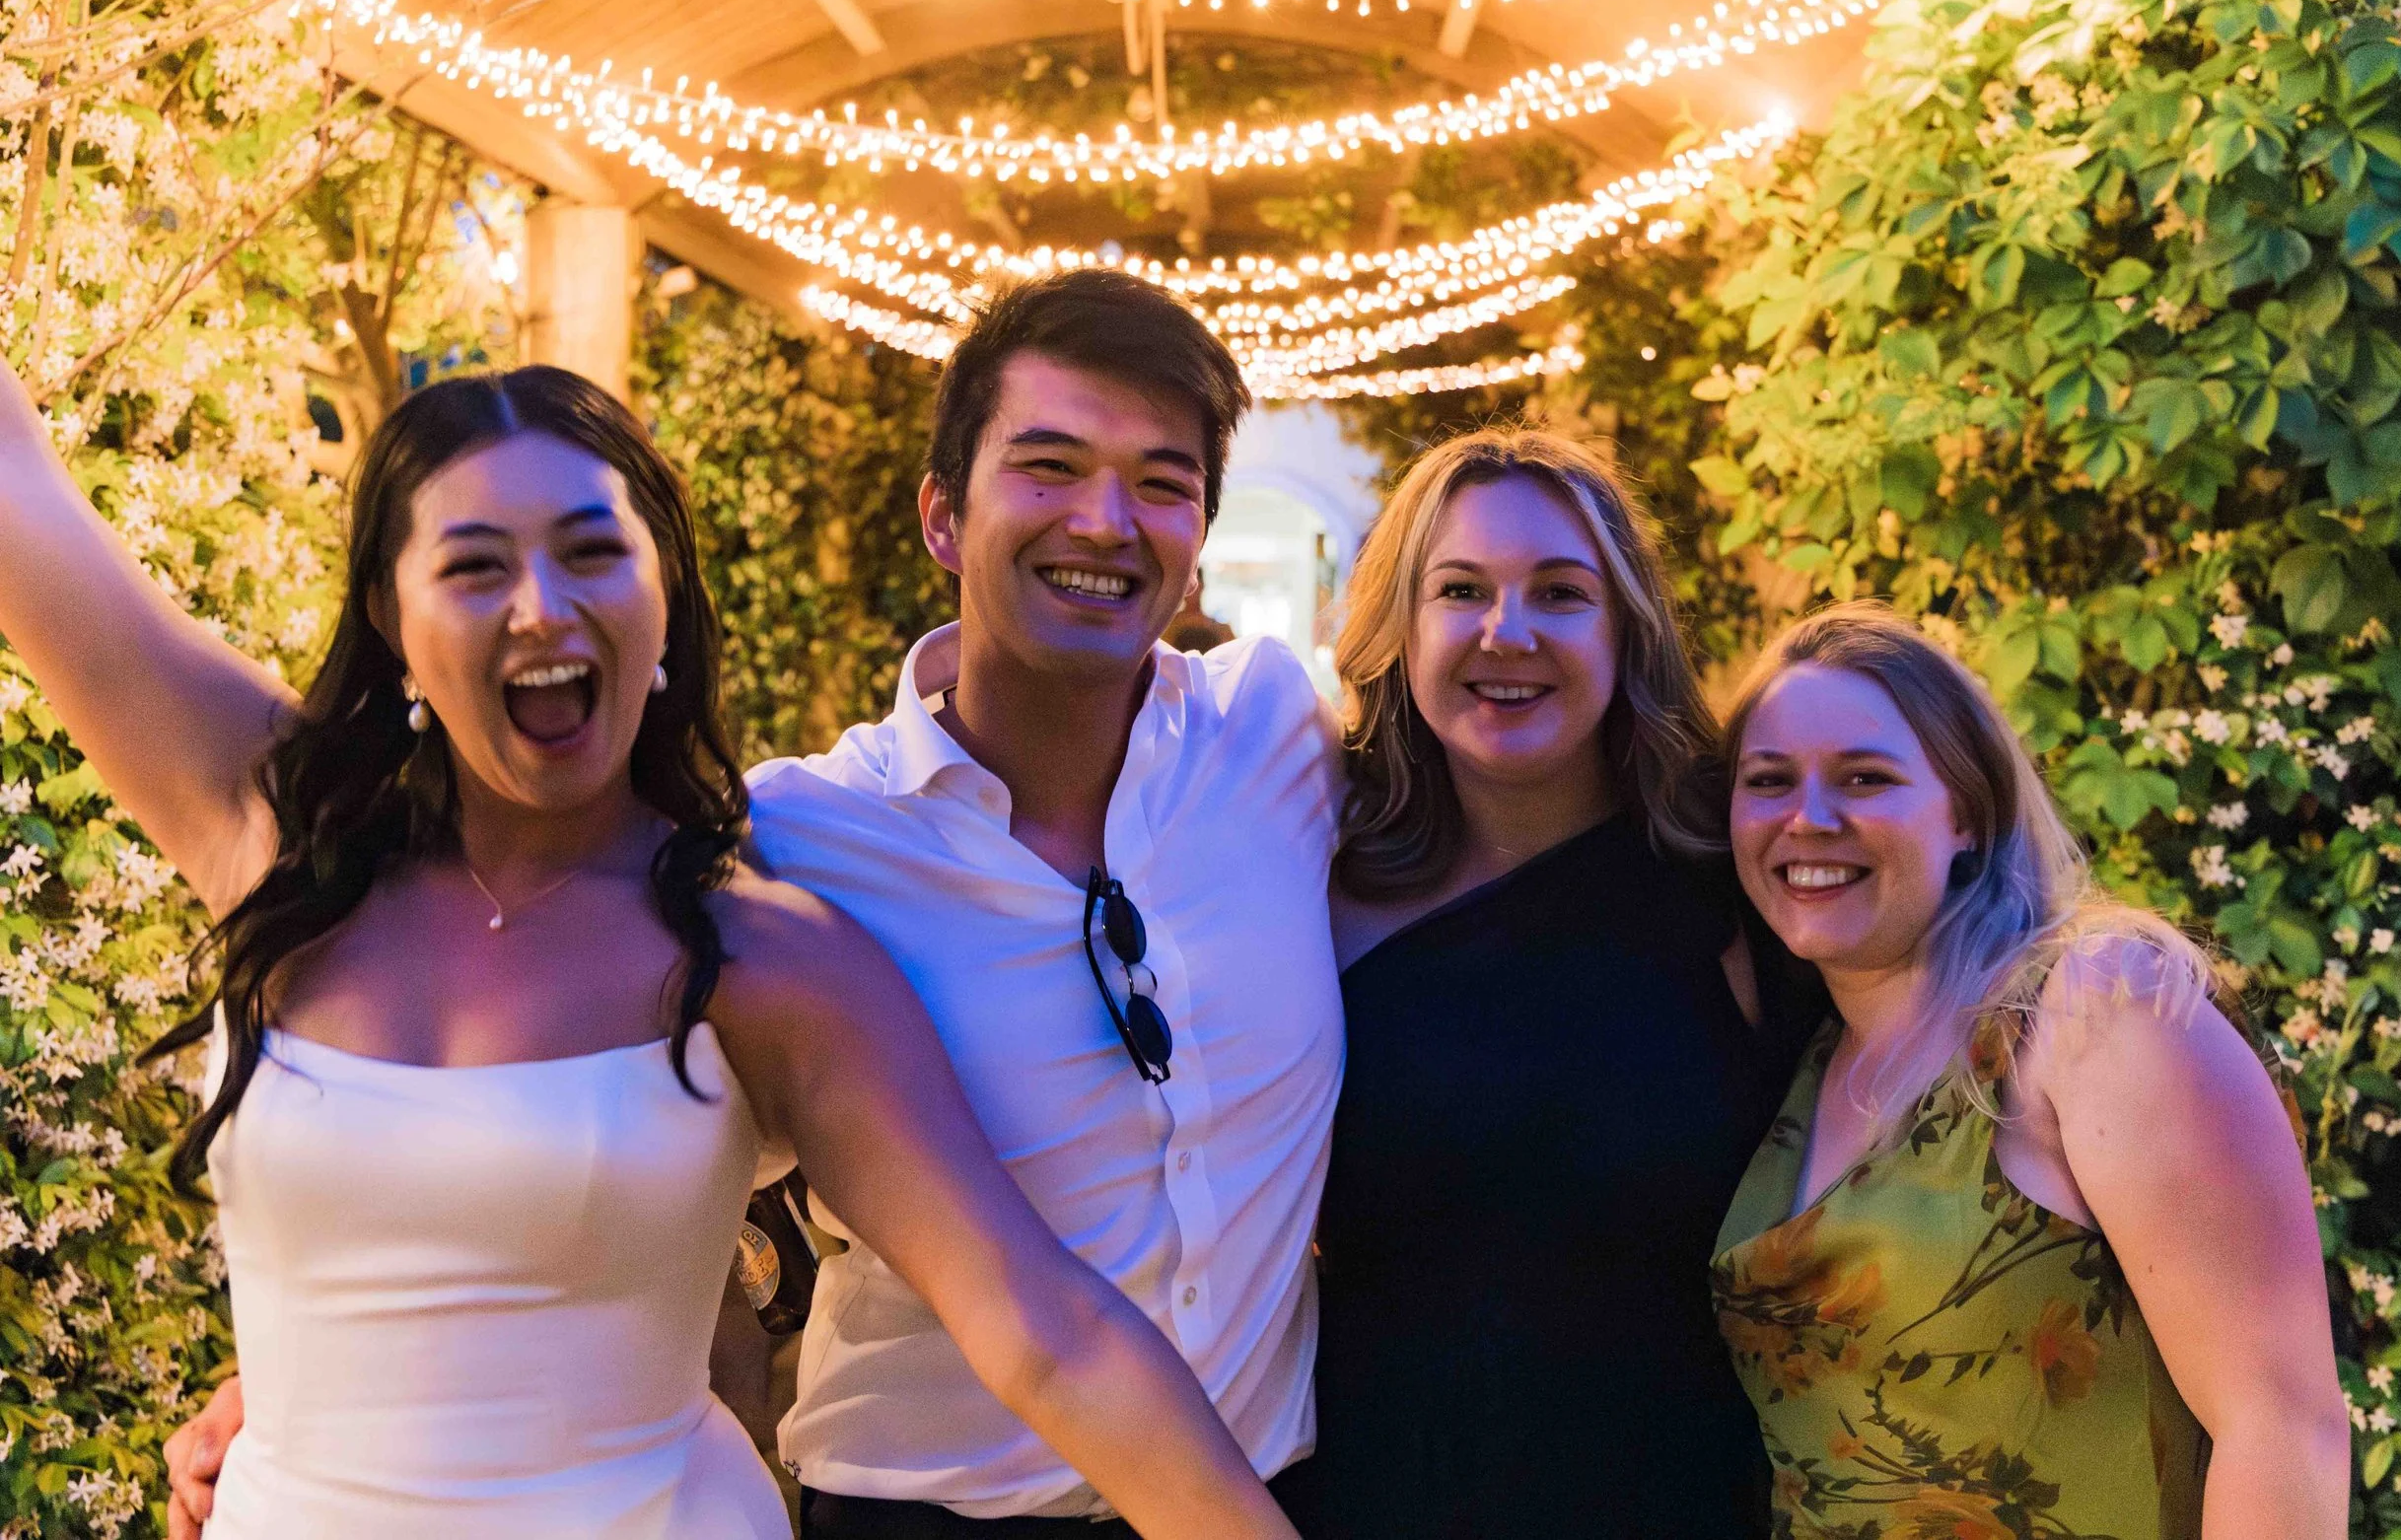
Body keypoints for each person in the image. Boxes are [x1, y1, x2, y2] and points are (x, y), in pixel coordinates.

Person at [0, 359, 1299, 1540]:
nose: (540, 606)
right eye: (473, 565)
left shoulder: (763, 955)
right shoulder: (272, 831)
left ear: (663, 598)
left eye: (589, 553)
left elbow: (1048, 1331)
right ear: (394, 617)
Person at [1275, 429, 1824, 1538]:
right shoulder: (1306, 880)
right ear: (1399, 624)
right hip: (1369, 1502)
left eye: (1561, 592)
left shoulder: (1743, 888)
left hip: (1681, 1504)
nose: (1505, 632)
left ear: (1626, 627)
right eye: (1460, 589)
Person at [1713, 601, 2348, 1538]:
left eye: (1866, 776)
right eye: (1769, 781)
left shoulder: (2092, 1008)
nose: (1809, 818)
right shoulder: (1804, 1062)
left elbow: (2284, 1427)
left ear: (1965, 810)